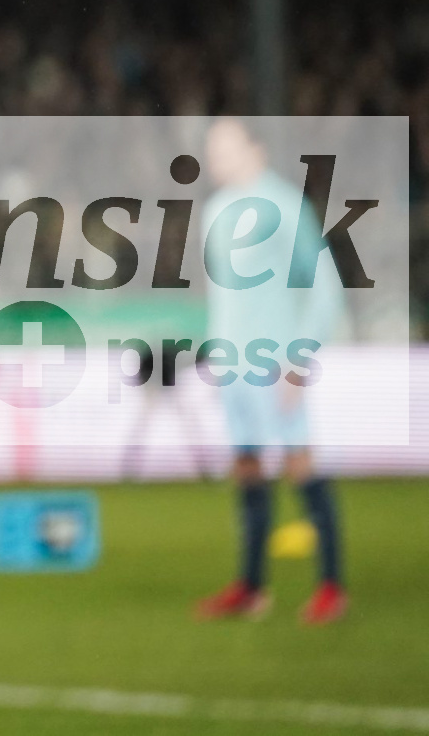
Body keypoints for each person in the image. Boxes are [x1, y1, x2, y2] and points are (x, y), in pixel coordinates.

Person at [191, 118, 348, 625]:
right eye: (212, 149)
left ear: (255, 149)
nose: (215, 158)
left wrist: (298, 361)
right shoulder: (214, 210)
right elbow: (224, 297)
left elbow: (325, 287)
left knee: (300, 465)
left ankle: (331, 588)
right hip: (233, 366)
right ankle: (252, 588)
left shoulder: (284, 206)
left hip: (275, 364)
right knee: (247, 470)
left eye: (226, 147)